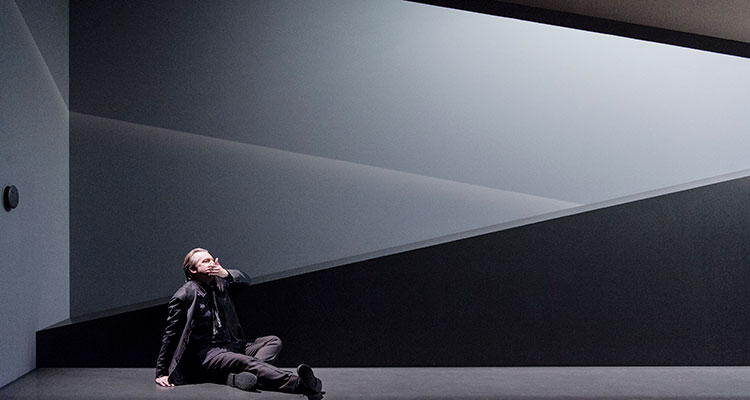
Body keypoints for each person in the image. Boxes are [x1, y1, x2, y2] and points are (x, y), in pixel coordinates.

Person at [155, 247, 324, 399]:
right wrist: (161, 372)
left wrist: (226, 274)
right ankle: (301, 384)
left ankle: (240, 378)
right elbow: (170, 335)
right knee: (247, 362)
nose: (211, 263)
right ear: (193, 270)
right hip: (208, 353)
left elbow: (245, 279)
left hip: (231, 344)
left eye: (212, 259)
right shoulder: (184, 295)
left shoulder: (220, 283)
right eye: (205, 261)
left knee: (273, 341)